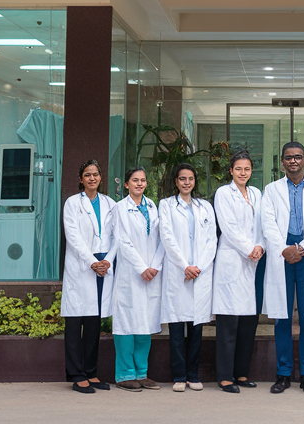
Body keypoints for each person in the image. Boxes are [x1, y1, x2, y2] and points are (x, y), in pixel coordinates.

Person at [261, 141, 304, 394]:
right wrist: (284, 249)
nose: (293, 161)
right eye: (289, 157)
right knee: (282, 316)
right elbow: (267, 223)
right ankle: (283, 374)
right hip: (283, 255)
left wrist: (303, 247)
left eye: (298, 157)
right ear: (282, 162)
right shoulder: (271, 190)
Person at [159, 163, 218, 392]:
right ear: (176, 181)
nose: (186, 182)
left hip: (199, 274)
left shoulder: (205, 207)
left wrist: (198, 267)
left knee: (196, 328)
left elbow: (212, 240)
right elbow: (167, 237)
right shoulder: (166, 205)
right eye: (182, 178)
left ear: (195, 181)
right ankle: (179, 376)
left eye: (190, 178)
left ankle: (193, 375)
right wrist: (185, 266)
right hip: (178, 272)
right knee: (176, 327)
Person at [61, 158, 117, 393]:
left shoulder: (110, 203)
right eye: (87, 175)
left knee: (94, 322)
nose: (92, 178)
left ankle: (91, 372)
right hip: (82, 265)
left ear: (101, 177)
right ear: (81, 179)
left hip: (103, 265)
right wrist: (93, 262)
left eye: (95, 174)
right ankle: (77, 374)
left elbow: (117, 236)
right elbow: (73, 236)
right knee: (76, 322)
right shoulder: (73, 203)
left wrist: (107, 260)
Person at [212, 151, 266, 393]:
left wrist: (260, 246)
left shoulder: (256, 194)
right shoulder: (224, 193)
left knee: (247, 322)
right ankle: (225, 377)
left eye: (247, 169)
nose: (243, 173)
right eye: (238, 169)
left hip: (253, 261)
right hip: (232, 260)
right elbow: (228, 227)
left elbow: (263, 225)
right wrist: (249, 248)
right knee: (228, 322)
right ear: (231, 171)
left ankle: (241, 373)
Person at [111, 166, 164, 391]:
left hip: (151, 273)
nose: (139, 184)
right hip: (130, 274)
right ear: (126, 184)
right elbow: (122, 241)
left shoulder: (152, 205)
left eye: (142, 180)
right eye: (135, 180)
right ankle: (124, 374)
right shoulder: (120, 208)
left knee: (145, 322)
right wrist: (142, 267)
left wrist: (155, 266)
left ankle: (142, 373)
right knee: (126, 323)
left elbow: (161, 239)